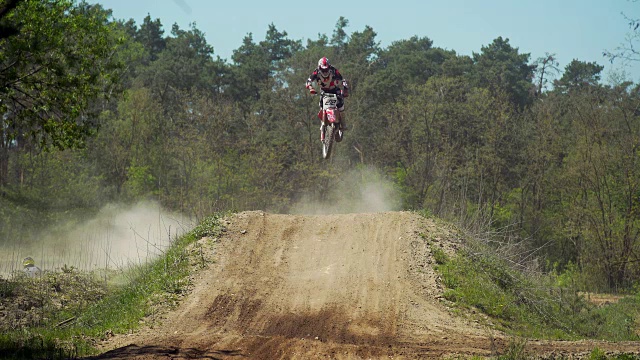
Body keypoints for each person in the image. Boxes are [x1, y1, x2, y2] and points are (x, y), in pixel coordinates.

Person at [305, 57, 350, 136]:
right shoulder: (316, 72)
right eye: (323, 70)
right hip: (324, 91)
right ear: (319, 68)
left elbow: (342, 80)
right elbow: (308, 81)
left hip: (335, 90)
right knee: (321, 105)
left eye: (326, 69)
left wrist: (345, 89)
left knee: (340, 104)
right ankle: (323, 123)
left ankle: (343, 123)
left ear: (329, 67)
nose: (325, 72)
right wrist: (310, 87)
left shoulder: (333, 70)